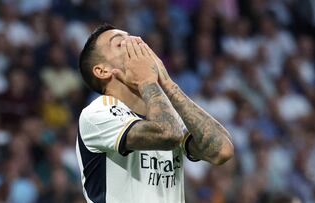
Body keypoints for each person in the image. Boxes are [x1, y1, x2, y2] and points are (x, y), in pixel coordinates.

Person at [76, 24, 234, 203]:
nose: (135, 42)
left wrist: (168, 84)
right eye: (120, 43)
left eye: (132, 37)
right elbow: (169, 134)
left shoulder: (166, 113)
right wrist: (147, 81)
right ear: (102, 71)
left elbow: (222, 151)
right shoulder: (97, 113)